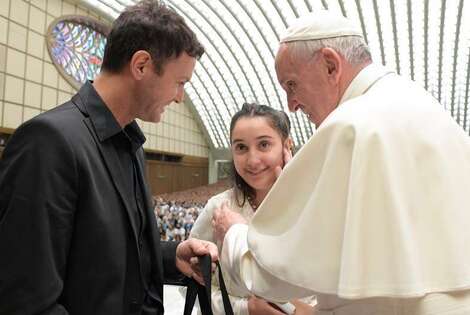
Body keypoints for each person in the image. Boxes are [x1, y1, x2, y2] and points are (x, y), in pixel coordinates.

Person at [212, 10, 470, 314]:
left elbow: (278, 275)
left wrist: (235, 234)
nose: (291, 105)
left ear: (331, 64)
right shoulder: (427, 108)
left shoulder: (349, 126)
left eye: (292, 85)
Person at [0, 1, 217, 314]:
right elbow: (27, 298)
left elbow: (110, 258)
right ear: (141, 65)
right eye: (180, 82)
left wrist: (172, 257)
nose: (180, 97)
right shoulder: (49, 142)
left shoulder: (131, 144)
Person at [190, 103, 313, 315]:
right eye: (241, 147)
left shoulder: (311, 206)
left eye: (264, 144)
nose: (253, 160)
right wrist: (245, 308)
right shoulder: (218, 209)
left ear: (287, 145)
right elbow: (195, 287)